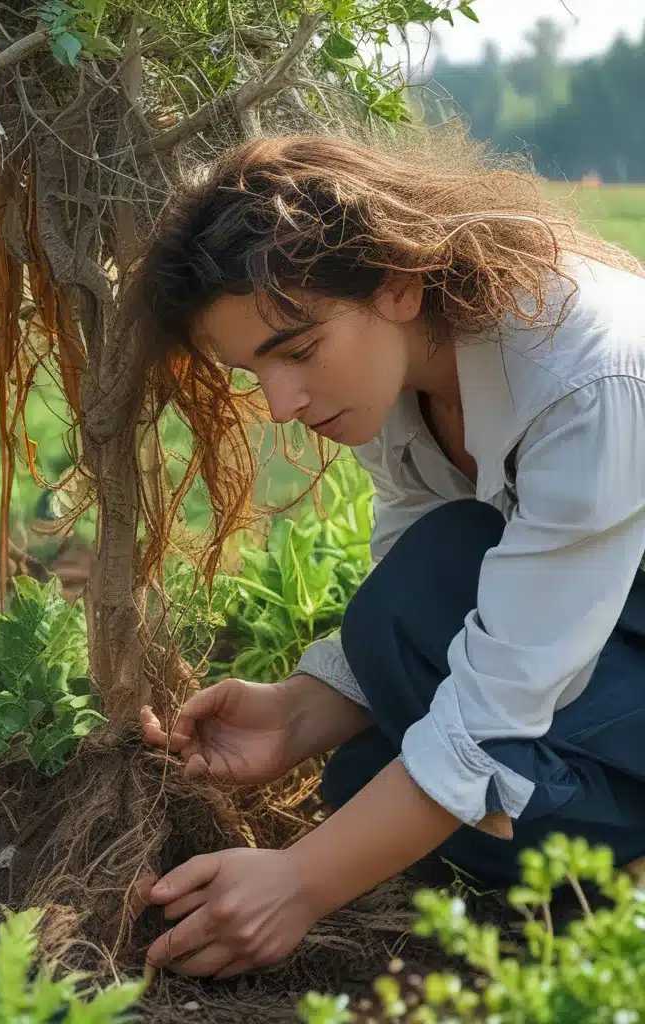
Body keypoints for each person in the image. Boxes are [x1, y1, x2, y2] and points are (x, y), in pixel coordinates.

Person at [127, 131, 645, 980]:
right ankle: (580, 842)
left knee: (407, 769)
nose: (284, 403)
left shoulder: (586, 378)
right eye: (254, 372)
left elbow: (492, 693)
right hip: (611, 634)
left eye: (297, 352)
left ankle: (604, 851)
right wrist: (300, 712)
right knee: (367, 769)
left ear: (399, 281)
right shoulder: (398, 374)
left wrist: (299, 881)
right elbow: (428, 604)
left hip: (615, 631)